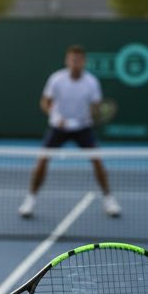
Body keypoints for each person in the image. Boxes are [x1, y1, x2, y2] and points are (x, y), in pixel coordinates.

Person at [18, 44, 120, 219]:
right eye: (73, 59)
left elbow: (95, 107)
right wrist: (56, 117)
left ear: (84, 62)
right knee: (42, 161)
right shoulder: (56, 79)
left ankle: (109, 199)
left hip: (82, 128)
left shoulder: (92, 82)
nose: (75, 63)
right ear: (67, 61)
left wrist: (91, 116)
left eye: (79, 60)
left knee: (97, 161)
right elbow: (45, 102)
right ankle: (30, 200)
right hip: (58, 127)